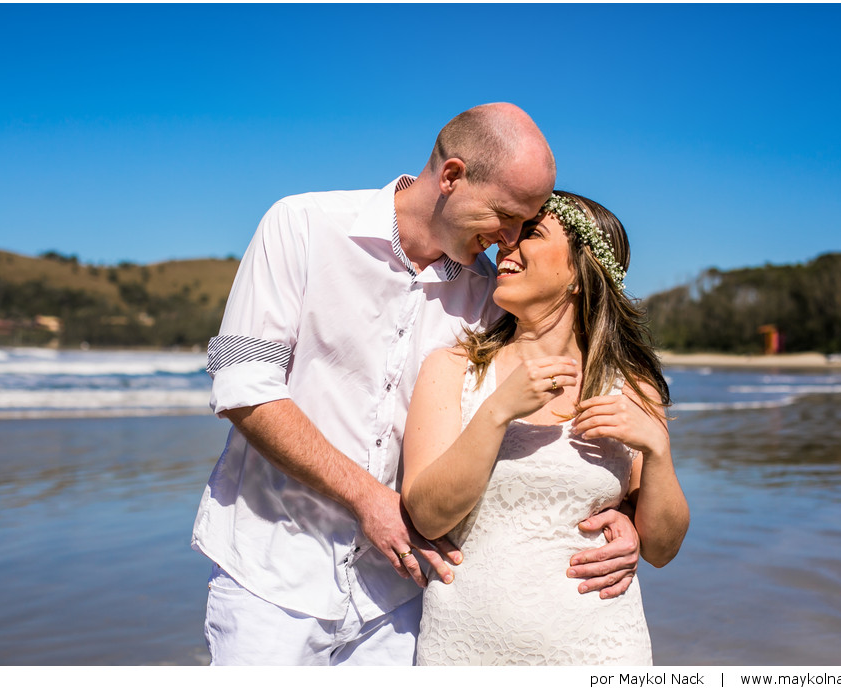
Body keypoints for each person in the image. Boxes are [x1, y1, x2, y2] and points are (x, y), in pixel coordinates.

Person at [191, 104, 643, 665]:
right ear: (452, 177)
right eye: (504, 216)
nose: (508, 239)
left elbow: (552, 410)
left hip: (403, 592)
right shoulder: (302, 225)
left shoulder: (490, 292)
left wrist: (622, 511)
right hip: (273, 571)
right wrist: (366, 497)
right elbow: (244, 387)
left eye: (524, 228)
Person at [402, 191, 690, 665]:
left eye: (530, 234)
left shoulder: (632, 386)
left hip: (601, 648)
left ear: (580, 271)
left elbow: (661, 548)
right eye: (506, 235)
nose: (504, 246)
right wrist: (496, 412)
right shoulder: (452, 370)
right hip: (466, 649)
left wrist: (657, 451)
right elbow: (429, 517)